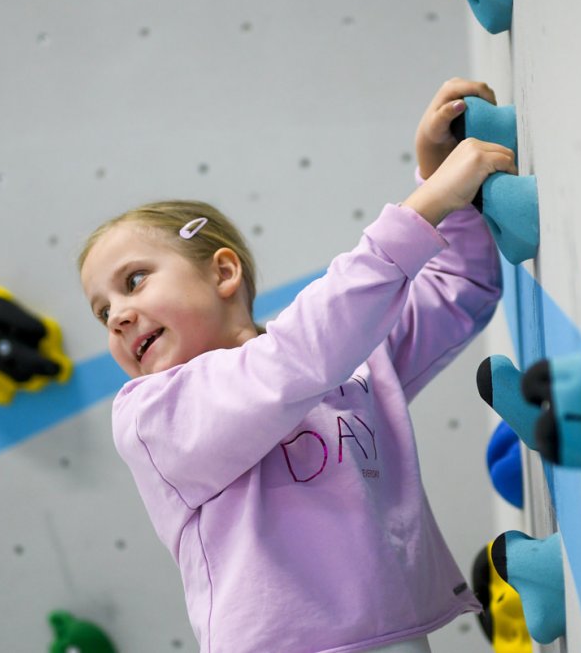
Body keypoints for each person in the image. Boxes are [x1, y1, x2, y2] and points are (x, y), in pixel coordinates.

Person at [78, 78, 516, 653]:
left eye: (133, 281)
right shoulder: (153, 417)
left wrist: (436, 179)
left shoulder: (345, 364)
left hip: (393, 637)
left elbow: (461, 285)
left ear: (223, 272)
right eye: (102, 310)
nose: (117, 316)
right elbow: (295, 361)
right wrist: (429, 203)